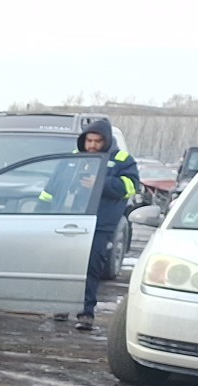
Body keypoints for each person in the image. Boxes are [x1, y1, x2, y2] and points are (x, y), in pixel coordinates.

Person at [66, 119, 139, 330]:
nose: (92, 145)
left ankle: (86, 313)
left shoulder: (123, 160)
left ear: (106, 141)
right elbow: (56, 185)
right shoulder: (76, 158)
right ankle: (60, 306)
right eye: (88, 140)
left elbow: (131, 187)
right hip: (72, 220)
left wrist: (101, 183)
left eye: (97, 141)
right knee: (67, 265)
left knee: (92, 267)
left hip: (101, 223)